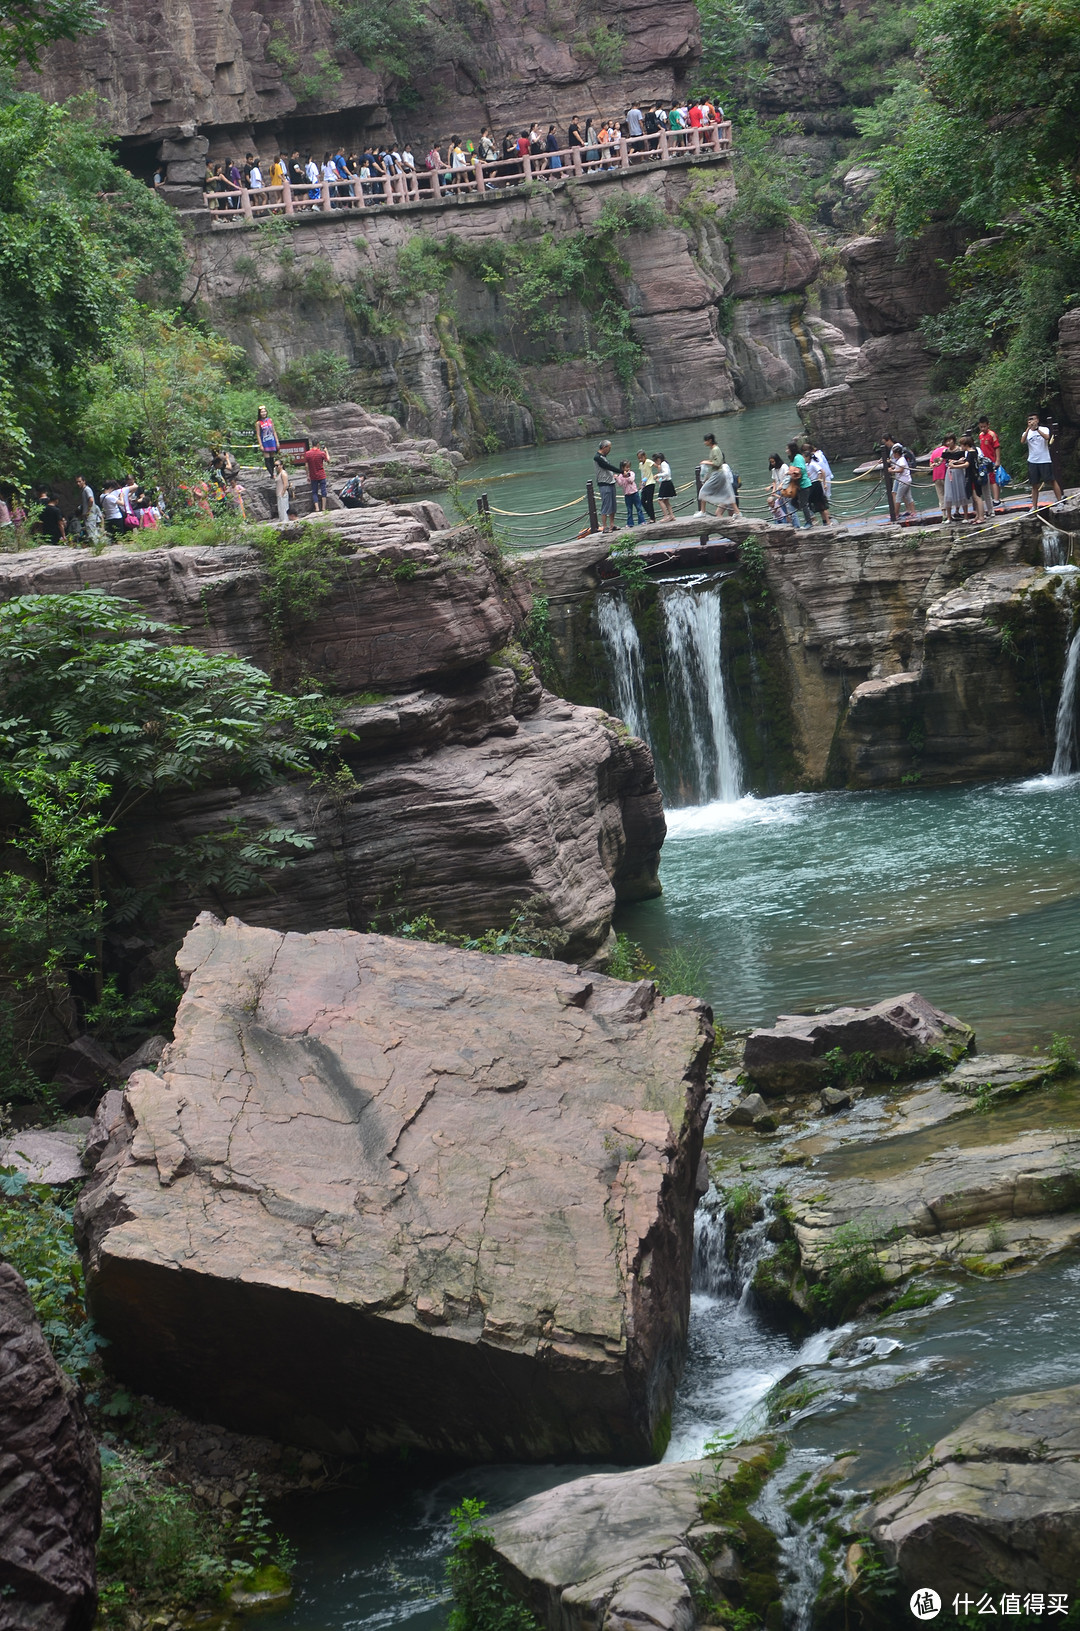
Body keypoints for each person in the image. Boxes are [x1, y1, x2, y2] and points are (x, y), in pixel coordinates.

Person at [1021, 414, 1062, 510]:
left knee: (1052, 480)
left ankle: (1060, 501)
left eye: (1033, 419)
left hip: (1044, 459)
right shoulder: (1026, 433)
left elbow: (1047, 437)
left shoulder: (1044, 429)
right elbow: (1022, 441)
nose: (1031, 421)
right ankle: (1034, 506)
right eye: (1029, 420)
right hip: (1032, 461)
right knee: (1034, 484)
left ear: (1037, 420)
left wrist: (1037, 429)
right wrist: (1028, 429)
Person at [696, 434, 740, 517]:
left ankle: (702, 511)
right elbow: (714, 461)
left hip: (718, 474)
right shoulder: (713, 449)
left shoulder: (715, 449)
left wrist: (706, 462)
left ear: (710, 440)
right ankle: (737, 512)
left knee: (703, 491)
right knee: (727, 494)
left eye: (706, 441)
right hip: (719, 474)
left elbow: (718, 463)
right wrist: (707, 461)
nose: (704, 443)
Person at [593, 439, 620, 532]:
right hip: (604, 484)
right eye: (609, 448)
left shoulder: (604, 457)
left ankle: (612, 525)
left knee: (613, 505)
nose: (610, 450)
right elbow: (608, 467)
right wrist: (621, 471)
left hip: (611, 482)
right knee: (606, 505)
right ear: (604, 447)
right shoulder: (598, 457)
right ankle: (605, 527)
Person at [785, 439, 813, 526]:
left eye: (787, 449)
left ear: (791, 449)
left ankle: (809, 521)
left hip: (804, 484)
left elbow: (801, 469)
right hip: (797, 485)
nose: (786, 451)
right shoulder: (794, 458)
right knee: (794, 502)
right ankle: (810, 512)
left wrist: (791, 472)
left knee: (803, 504)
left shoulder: (798, 457)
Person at [977, 416, 1002, 512]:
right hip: (984, 461)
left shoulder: (992, 435)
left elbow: (997, 447)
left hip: (992, 460)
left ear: (988, 425)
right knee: (987, 479)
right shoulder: (980, 435)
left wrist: (997, 460)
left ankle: (996, 499)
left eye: (984, 426)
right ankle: (991, 499)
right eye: (981, 427)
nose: (983, 429)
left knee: (993, 479)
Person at [942, 434, 968, 523]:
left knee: (961, 492)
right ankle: (949, 517)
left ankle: (965, 516)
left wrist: (956, 463)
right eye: (947, 441)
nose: (948, 443)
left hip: (959, 472)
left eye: (950, 440)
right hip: (949, 473)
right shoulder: (946, 451)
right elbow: (941, 460)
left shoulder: (960, 450)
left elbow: (963, 461)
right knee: (948, 493)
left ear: (953, 440)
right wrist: (935, 463)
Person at [805, 443, 833, 523]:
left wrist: (821, 481)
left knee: (821, 503)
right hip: (813, 484)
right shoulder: (808, 464)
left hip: (816, 484)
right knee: (815, 503)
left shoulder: (813, 463)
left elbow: (822, 472)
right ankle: (823, 520)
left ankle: (827, 521)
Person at [889, 443, 917, 520]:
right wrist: (893, 468)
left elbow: (901, 470)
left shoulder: (901, 460)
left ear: (897, 453)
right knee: (909, 497)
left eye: (894, 454)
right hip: (907, 480)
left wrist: (892, 471)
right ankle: (913, 512)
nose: (893, 455)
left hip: (903, 481)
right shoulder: (901, 460)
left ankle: (896, 514)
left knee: (898, 498)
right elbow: (898, 466)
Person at [617, 461, 647, 527]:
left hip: (634, 493)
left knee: (639, 508)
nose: (628, 469)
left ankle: (642, 521)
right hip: (627, 495)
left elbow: (631, 480)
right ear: (622, 468)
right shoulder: (620, 476)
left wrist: (626, 476)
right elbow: (620, 484)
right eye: (626, 467)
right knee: (629, 510)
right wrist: (617, 478)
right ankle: (630, 523)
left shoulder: (632, 473)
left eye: (629, 467)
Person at [302, 441, 330, 511]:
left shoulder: (307, 454)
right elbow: (328, 461)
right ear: (318, 445)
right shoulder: (321, 453)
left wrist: (307, 475)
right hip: (321, 475)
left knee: (314, 491)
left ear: (312, 444)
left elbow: (306, 465)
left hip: (313, 475)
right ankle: (323, 508)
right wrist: (326, 451)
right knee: (323, 490)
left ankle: (317, 508)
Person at [255, 405, 280, 474]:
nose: (263, 413)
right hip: (264, 442)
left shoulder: (270, 420)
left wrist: (277, 441)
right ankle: (271, 473)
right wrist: (260, 445)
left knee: (272, 458)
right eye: (262, 412)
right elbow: (258, 434)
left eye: (264, 411)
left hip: (271, 440)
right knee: (267, 458)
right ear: (259, 413)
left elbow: (274, 431)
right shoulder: (258, 423)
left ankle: (273, 472)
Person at [653, 453, 676, 520]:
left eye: (656, 461)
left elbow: (666, 473)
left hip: (666, 483)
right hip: (667, 482)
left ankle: (666, 516)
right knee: (666, 501)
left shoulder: (663, 464)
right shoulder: (665, 463)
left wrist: (658, 475)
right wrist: (659, 479)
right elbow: (666, 475)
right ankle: (671, 515)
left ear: (658, 459)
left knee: (660, 500)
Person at [928, 440, 948, 516]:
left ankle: (944, 515)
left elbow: (931, 464)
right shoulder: (947, 450)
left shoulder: (934, 451)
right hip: (945, 474)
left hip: (936, 476)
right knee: (948, 495)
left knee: (941, 496)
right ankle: (951, 514)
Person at [637, 450, 657, 521]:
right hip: (645, 484)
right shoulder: (640, 464)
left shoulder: (648, 461)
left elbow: (657, 466)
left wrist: (658, 475)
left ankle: (652, 517)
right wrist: (640, 485)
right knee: (642, 501)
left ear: (644, 456)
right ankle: (651, 515)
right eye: (639, 458)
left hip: (651, 483)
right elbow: (642, 474)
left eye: (641, 458)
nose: (640, 459)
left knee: (649, 501)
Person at [273, 457, 291, 523]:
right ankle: (282, 521)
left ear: (281, 465)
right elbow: (275, 479)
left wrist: (282, 493)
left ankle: (286, 522)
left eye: (277, 465)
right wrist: (274, 472)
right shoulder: (279, 474)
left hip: (282, 494)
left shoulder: (283, 473)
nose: (276, 467)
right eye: (274, 466)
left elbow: (286, 484)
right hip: (279, 494)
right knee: (280, 510)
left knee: (284, 510)